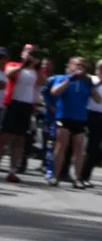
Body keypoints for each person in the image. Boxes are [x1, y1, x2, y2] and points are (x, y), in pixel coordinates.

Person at [48, 57, 93, 187]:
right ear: (71, 66)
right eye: (78, 65)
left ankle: (78, 178)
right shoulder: (62, 78)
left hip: (80, 118)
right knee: (61, 145)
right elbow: (54, 92)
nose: (80, 67)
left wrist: (91, 84)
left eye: (83, 65)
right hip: (64, 116)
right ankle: (55, 176)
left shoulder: (86, 82)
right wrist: (69, 79)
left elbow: (98, 99)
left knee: (79, 147)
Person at [3, 44, 43, 182]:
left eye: (33, 54)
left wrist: (36, 66)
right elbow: (8, 74)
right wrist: (23, 65)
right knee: (4, 137)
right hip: (12, 103)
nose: (30, 55)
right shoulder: (14, 65)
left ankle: (13, 170)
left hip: (26, 106)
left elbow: (43, 82)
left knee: (20, 139)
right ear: (22, 53)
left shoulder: (36, 72)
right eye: (28, 52)